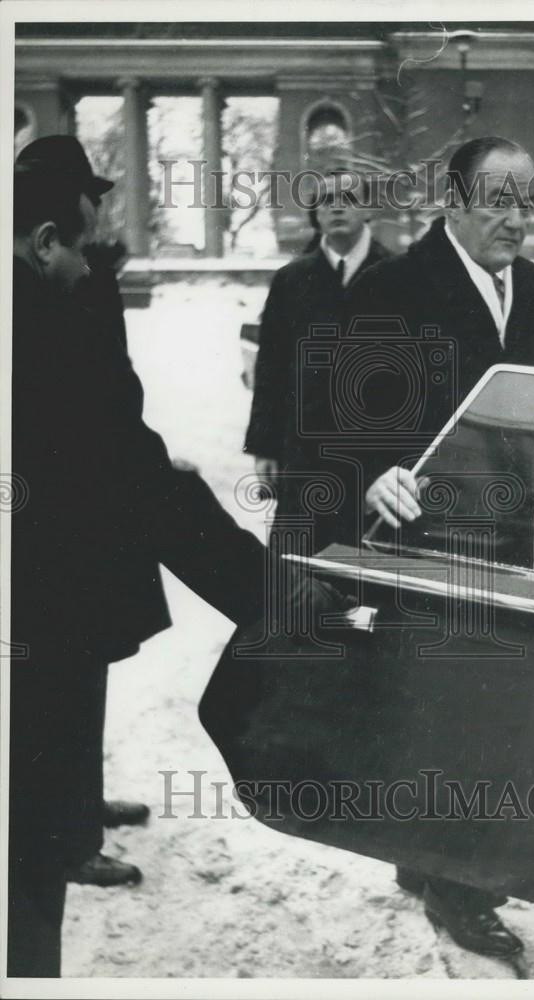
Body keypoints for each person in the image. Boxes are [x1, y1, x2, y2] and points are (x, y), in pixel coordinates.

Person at [340, 136, 534, 960]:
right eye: (499, 202)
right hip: (422, 538)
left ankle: (435, 865)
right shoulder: (393, 287)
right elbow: (339, 413)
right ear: (452, 203)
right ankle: (459, 890)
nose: (518, 219)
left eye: (527, 202)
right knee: (447, 709)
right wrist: (371, 473)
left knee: (478, 707)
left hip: (506, 533)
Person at [10, 155, 268, 977]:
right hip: (32, 628)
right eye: (82, 249)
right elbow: (124, 467)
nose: (92, 267)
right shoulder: (42, 329)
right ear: (45, 241)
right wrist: (271, 596)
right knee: (25, 879)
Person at [16, 135, 148, 889]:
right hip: (66, 516)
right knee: (59, 679)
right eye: (88, 197)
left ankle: (80, 806)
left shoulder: (79, 271)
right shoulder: (60, 281)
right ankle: (66, 831)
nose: (99, 210)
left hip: (88, 505)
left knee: (82, 671)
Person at [243, 169, 391, 554]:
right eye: (326, 200)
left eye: (349, 198)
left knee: (367, 580)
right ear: (315, 214)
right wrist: (265, 447)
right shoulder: (292, 280)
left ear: (370, 208)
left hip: (376, 464)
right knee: (293, 582)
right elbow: (271, 369)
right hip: (304, 457)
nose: (337, 207)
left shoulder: (400, 276)